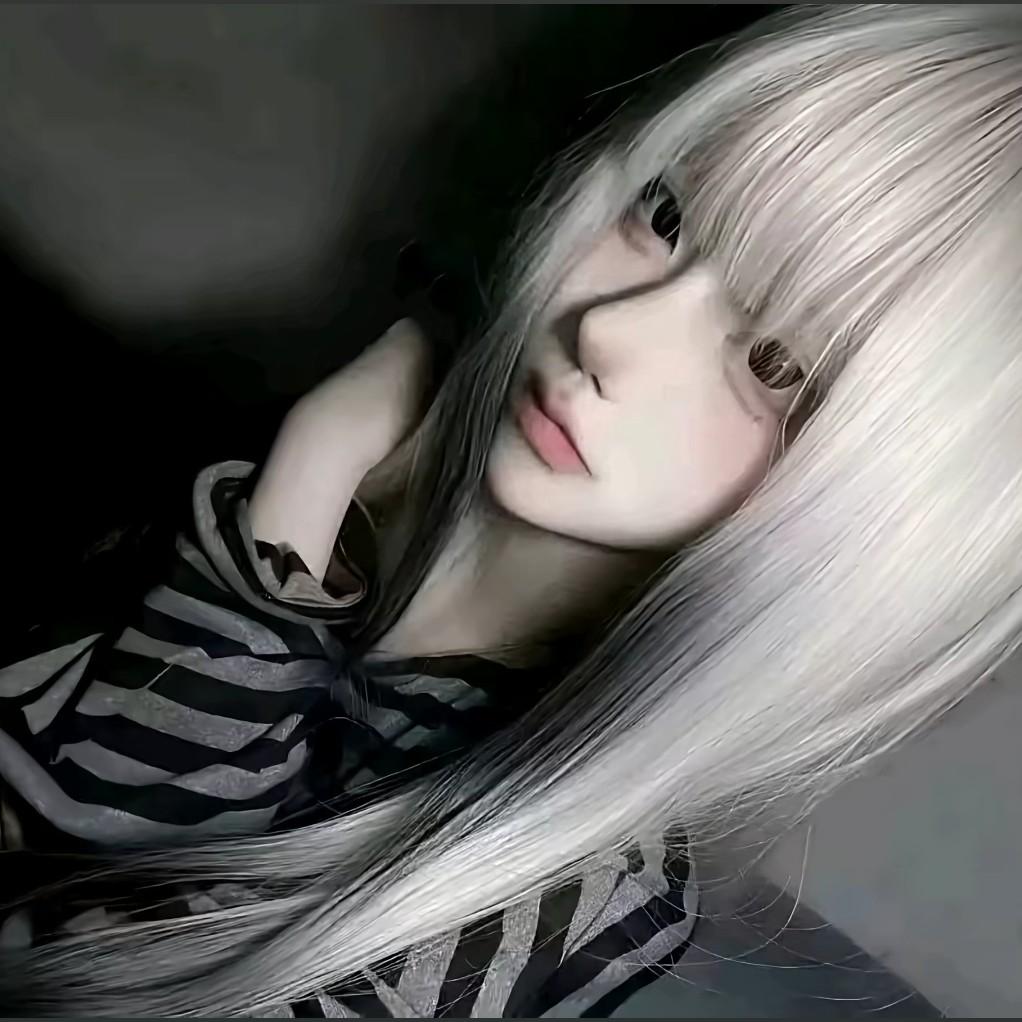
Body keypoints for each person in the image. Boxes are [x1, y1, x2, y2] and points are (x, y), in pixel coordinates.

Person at [2, 3, 1022, 1015]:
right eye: (664, 216)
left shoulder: (577, 896)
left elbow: (95, 947)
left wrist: (294, 510)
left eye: (772, 362)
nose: (610, 332)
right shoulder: (261, 471)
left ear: (879, 510)